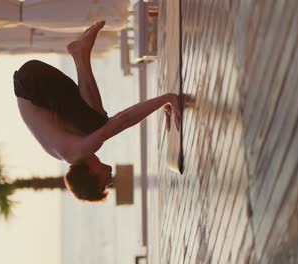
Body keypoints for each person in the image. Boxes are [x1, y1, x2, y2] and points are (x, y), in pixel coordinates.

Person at [13, 21, 180, 202]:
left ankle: (81, 53)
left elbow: (122, 121)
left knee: (97, 124)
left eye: (104, 184)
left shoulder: (78, 150)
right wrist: (162, 102)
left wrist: (166, 99)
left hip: (32, 85)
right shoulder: (69, 152)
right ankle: (80, 54)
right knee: (95, 121)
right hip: (30, 83)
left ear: (92, 174)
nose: (110, 181)